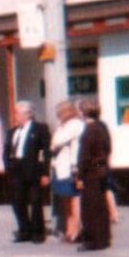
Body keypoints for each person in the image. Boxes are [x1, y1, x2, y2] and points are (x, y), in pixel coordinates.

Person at [3, 101, 51, 243]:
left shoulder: (40, 129)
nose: (15, 116)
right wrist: (8, 166)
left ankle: (38, 232)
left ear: (28, 114)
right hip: (16, 169)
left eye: (17, 113)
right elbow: (6, 151)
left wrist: (45, 173)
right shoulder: (12, 131)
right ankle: (24, 230)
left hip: (33, 169)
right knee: (17, 201)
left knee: (35, 201)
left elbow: (46, 152)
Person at [75, 99, 112, 252]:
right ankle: (103, 239)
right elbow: (105, 151)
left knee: (90, 208)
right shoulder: (102, 127)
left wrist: (81, 174)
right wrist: (100, 166)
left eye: (79, 110)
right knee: (101, 207)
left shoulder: (89, 130)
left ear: (84, 112)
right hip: (100, 172)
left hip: (91, 174)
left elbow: (85, 156)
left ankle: (92, 240)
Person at [49, 99, 85, 243]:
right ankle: (69, 229)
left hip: (70, 167)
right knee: (65, 201)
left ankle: (76, 230)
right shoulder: (62, 126)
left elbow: (57, 142)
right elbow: (54, 142)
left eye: (60, 113)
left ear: (67, 112)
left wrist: (54, 144)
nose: (58, 116)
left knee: (74, 200)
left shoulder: (75, 124)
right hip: (59, 167)